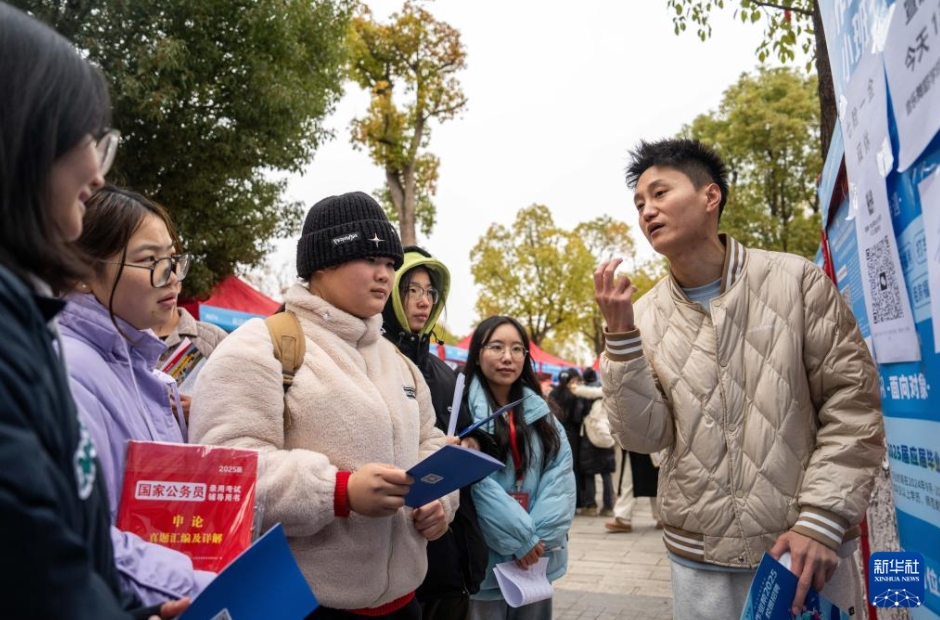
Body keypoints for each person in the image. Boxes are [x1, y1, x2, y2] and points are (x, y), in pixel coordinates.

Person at [593, 137, 885, 618]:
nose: (647, 211)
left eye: (661, 193)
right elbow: (643, 437)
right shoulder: (642, 315)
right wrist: (621, 338)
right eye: (640, 203)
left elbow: (852, 403)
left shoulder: (795, 281)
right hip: (701, 561)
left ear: (711, 197)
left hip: (805, 554)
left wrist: (821, 520)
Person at [0, 5, 186, 618]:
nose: (96, 170)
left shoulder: (34, 329)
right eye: (82, 137)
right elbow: (44, 563)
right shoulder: (47, 353)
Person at [190, 191, 456, 619]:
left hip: (405, 603)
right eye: (369, 260)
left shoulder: (401, 364)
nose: (384, 275)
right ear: (321, 263)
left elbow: (430, 441)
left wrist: (440, 502)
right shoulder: (260, 347)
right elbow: (223, 474)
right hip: (301, 605)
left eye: (389, 263)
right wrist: (338, 491)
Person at [59, 186, 215, 605]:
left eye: (173, 259)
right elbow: (82, 534)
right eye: (150, 261)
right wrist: (203, 584)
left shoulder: (148, 372)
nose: (174, 277)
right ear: (82, 271)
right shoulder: (67, 370)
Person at [381, 246, 487, 619]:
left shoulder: (447, 375)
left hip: (445, 546)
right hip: (388, 553)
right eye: (412, 289)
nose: (423, 301)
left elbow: (477, 437)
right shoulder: (371, 363)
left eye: (430, 292)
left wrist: (469, 445)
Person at [461, 316, 576, 620]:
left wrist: (537, 540)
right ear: (478, 353)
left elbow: (560, 477)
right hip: (486, 560)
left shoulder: (542, 413)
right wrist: (521, 538)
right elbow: (474, 482)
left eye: (517, 349)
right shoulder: (460, 411)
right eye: (496, 347)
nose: (507, 357)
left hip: (536, 561)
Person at [154, 304, 228, 422]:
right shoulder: (123, 344)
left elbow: (240, 400)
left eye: (173, 284)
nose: (168, 287)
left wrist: (201, 411)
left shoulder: (214, 337)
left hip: (203, 438)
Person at [569, 367, 616, 518]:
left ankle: (591, 506)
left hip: (589, 435)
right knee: (606, 471)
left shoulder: (583, 394)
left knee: (589, 471)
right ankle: (608, 507)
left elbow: (577, 415)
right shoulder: (606, 391)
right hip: (605, 432)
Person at [548, 368, 588, 513]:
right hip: (573, 435)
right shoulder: (573, 396)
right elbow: (578, 417)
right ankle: (577, 502)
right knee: (573, 467)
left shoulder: (553, 394)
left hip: (555, 433)